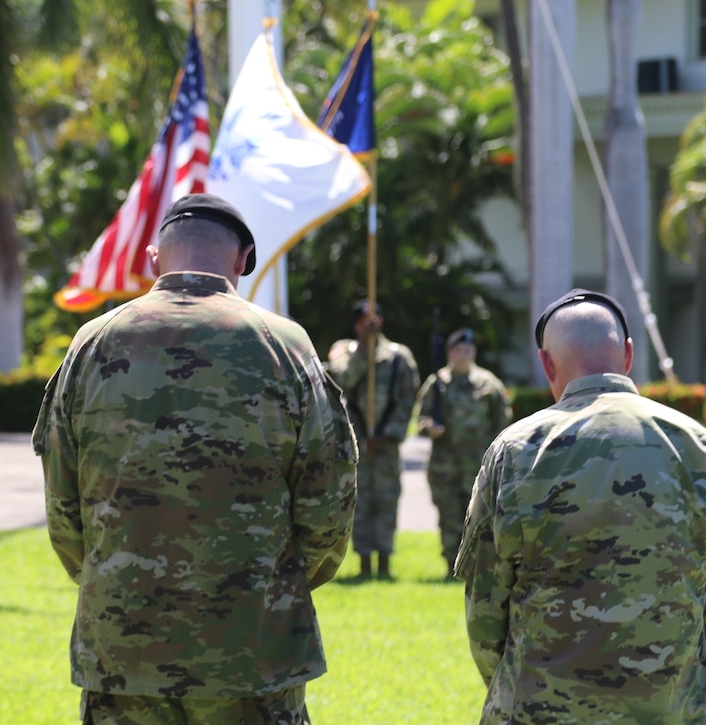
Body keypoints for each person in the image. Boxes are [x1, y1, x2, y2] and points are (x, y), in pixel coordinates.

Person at [33, 193, 357, 725]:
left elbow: (64, 510)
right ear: (243, 259)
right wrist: (278, 585)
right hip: (253, 649)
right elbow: (328, 507)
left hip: (123, 650)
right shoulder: (285, 345)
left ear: (155, 258)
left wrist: (112, 577)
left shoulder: (93, 343)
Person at [456, 289, 706, 723]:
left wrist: (520, 685)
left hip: (541, 708)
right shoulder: (697, 446)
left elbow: (484, 609)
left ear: (547, 364)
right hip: (671, 709)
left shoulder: (515, 451)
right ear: (627, 355)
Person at [327, 301, 419, 578]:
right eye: (364, 321)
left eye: (375, 319)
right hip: (356, 442)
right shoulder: (347, 352)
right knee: (360, 501)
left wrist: (389, 432)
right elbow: (340, 380)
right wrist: (364, 350)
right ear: (357, 325)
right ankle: (364, 562)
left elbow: (407, 398)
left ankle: (385, 562)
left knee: (386, 500)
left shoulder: (398, 357)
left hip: (385, 442)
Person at [417, 328, 510, 576]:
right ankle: (452, 567)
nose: (462, 355)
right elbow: (421, 419)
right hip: (444, 465)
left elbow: (504, 426)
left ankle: (478, 570)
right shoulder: (436, 384)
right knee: (449, 518)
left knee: (480, 519)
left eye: (467, 350)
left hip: (478, 467)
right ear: (449, 353)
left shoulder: (489, 385)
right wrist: (430, 427)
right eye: (458, 350)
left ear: (474, 353)